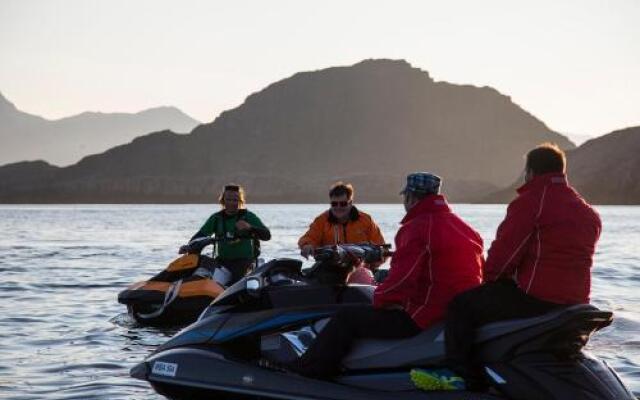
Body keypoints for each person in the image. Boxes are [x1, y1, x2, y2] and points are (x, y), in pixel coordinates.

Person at [267, 173, 483, 378]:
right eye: (335, 204)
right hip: (459, 313)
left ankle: (309, 371)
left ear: (411, 197)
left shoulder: (416, 228)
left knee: (345, 318)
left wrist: (379, 299)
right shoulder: (466, 228)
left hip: (425, 314)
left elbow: (402, 278)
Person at [444, 143, 602, 390]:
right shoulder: (587, 210)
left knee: (461, 306)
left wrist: (488, 281)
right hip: (577, 300)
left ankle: (463, 377)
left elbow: (504, 256)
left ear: (530, 171)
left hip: (537, 298)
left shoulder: (531, 202)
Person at [298, 182, 385, 283]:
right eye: (334, 204)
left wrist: (373, 264)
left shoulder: (366, 220)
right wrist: (307, 246)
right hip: (330, 272)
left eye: (343, 204)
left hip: (361, 271)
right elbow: (309, 238)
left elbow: (382, 248)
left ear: (350, 202)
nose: (338, 207)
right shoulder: (321, 221)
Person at [186, 183, 271, 285]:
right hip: (222, 262)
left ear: (240, 201)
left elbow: (267, 236)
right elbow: (199, 236)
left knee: (235, 282)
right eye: (228, 199)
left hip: (244, 262)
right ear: (223, 201)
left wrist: (250, 227)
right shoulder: (216, 218)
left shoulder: (249, 216)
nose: (231, 203)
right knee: (204, 263)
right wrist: (188, 246)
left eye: (235, 200)